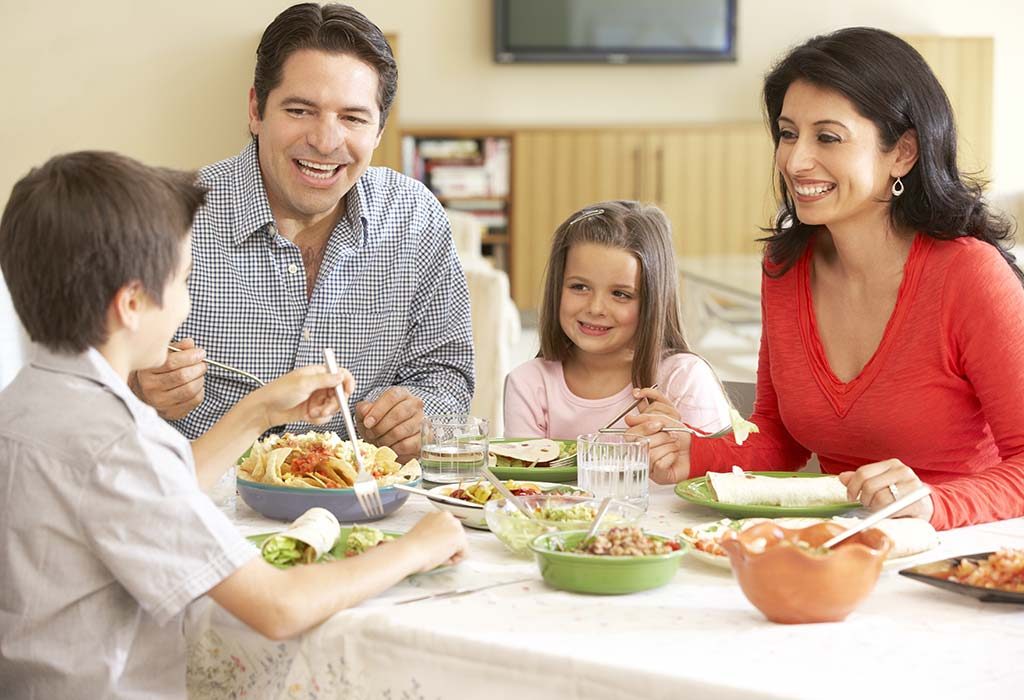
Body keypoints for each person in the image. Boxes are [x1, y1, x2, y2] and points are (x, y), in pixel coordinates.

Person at [0, 151, 468, 700]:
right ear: (131, 303)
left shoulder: (31, 401)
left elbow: (154, 493)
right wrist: (416, 548)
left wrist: (262, 410)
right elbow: (278, 606)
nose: (187, 301)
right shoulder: (118, 442)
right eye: (183, 280)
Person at [629, 27, 1024, 530]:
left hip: (958, 555)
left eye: (828, 137)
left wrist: (931, 502)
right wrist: (696, 454)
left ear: (902, 152)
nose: (795, 161)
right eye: (788, 133)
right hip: (835, 545)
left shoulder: (970, 275)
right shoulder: (785, 267)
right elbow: (781, 438)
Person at [131, 3, 474, 462]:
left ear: (378, 131)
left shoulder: (415, 217)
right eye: (300, 110)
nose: (326, 141)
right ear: (256, 109)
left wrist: (420, 413)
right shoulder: (171, 216)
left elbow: (446, 372)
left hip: (362, 500)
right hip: (202, 500)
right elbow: (93, 381)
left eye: (352, 118)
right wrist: (140, 384)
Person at [503, 200, 731, 440]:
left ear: (653, 302)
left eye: (621, 294)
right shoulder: (529, 383)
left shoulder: (683, 379)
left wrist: (682, 447)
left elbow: (722, 474)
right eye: (579, 287)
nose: (596, 307)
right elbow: (521, 477)